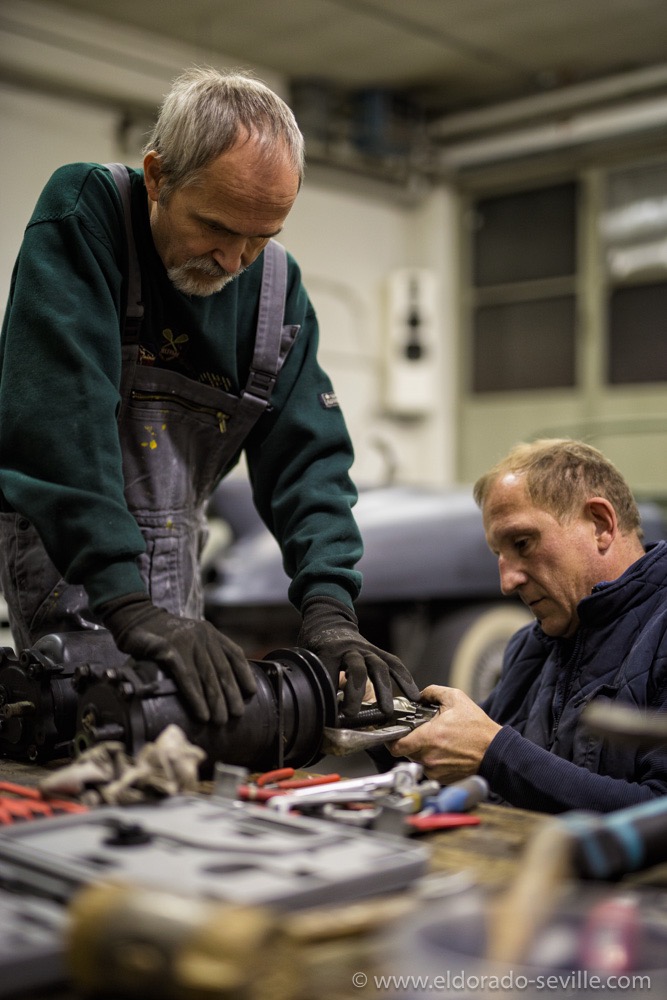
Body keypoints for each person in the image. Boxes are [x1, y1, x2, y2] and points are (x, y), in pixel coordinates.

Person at [0, 66, 419, 728]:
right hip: (70, 556)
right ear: (158, 177)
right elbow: (60, 426)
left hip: (177, 562)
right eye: (217, 228)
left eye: (262, 236)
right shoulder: (88, 215)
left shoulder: (278, 293)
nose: (234, 260)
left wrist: (331, 613)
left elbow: (309, 466)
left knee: (181, 743)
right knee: (93, 741)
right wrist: (130, 606)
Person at [390, 438, 667, 814]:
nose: (507, 582)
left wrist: (496, 753)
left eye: (523, 543)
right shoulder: (530, 648)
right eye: (499, 555)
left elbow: (657, 812)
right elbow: (449, 772)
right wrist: (382, 723)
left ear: (601, 525)